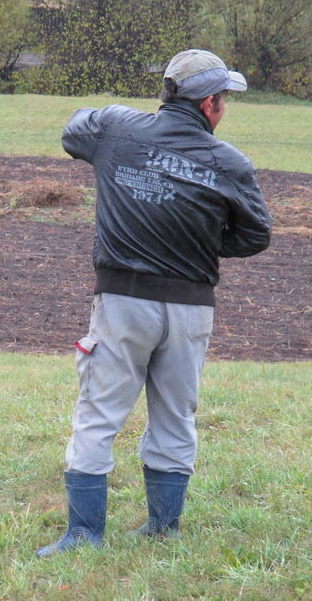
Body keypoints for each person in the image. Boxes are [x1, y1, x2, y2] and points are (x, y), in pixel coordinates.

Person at [37, 49, 271, 556]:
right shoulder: (229, 162)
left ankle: (83, 536)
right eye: (224, 99)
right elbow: (255, 235)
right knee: (175, 416)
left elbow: (73, 130)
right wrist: (200, 237)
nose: (224, 109)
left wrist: (119, 122)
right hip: (191, 310)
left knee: (98, 414)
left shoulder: (118, 128)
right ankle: (163, 530)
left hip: (122, 305)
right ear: (209, 103)